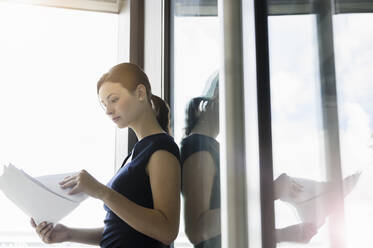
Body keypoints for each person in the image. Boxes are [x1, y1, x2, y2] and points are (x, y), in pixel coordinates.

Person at [180, 74, 358, 247]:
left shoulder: (210, 148)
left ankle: (316, 197)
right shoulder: (199, 145)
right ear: (218, 95)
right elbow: (197, 229)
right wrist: (268, 193)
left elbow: (226, 227)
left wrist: (280, 235)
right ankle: (317, 197)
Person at [30, 63, 181, 248]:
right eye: (104, 104)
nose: (108, 110)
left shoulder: (161, 149)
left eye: (114, 99)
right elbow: (122, 230)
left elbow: (167, 231)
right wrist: (69, 233)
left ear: (140, 93)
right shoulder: (135, 154)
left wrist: (101, 192)